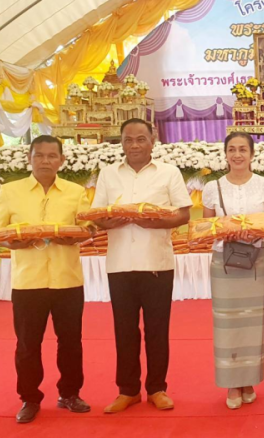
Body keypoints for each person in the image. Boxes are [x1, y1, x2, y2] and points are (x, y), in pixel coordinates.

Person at [0, 135, 91, 424]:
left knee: (71, 342)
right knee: (27, 344)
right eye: (40, 155)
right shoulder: (10, 192)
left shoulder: (75, 192)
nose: (45, 160)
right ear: (29, 158)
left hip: (67, 279)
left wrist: (71, 235)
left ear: (61, 160)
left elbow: (88, 229)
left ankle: (70, 393)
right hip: (27, 281)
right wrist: (13, 243)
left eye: (51, 156)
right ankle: (30, 398)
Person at [92, 118, 193, 414]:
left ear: (153, 140)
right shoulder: (108, 174)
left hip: (156, 262)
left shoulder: (169, 173)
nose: (134, 145)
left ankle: (157, 389)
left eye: (140, 139)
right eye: (128, 140)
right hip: (120, 263)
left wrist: (153, 221)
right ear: (120, 142)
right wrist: (109, 221)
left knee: (157, 330)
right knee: (124, 330)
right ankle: (128, 390)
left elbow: (183, 214)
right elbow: (97, 214)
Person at [202, 132, 264, 410]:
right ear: (225, 154)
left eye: (243, 149)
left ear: (252, 154)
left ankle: (249, 380)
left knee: (254, 322)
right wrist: (229, 232)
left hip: (256, 260)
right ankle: (232, 383)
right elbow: (205, 228)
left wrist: (253, 232)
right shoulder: (212, 187)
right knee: (227, 323)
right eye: (232, 149)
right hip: (224, 261)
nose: (237, 154)